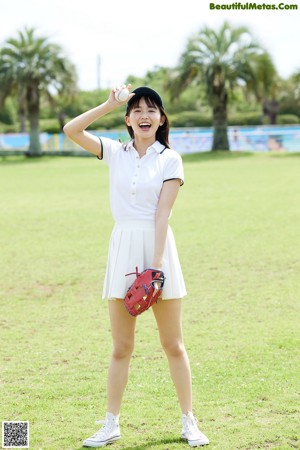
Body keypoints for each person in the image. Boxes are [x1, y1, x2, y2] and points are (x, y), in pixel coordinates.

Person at [63, 85, 209, 448]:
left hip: (158, 251)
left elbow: (163, 214)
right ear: (128, 120)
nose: (145, 115)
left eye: (152, 109)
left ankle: (189, 422)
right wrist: (109, 103)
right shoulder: (115, 152)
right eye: (137, 110)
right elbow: (71, 130)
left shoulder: (170, 159)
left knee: (173, 344)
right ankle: (110, 424)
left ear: (161, 119)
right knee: (121, 347)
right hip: (123, 249)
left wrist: (155, 268)